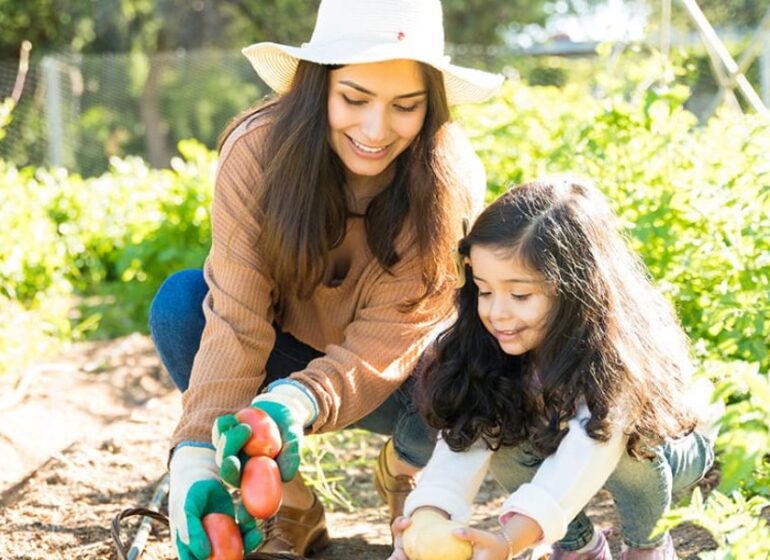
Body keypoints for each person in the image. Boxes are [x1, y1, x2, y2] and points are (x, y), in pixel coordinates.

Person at [147, 1, 505, 558]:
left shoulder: (446, 180)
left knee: (479, 358)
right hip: (281, 355)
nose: (376, 129)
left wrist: (297, 401)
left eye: (405, 106)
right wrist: (196, 454)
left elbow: (391, 337)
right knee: (180, 306)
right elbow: (237, 318)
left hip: (398, 380)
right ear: (319, 86)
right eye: (354, 99)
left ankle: (409, 470)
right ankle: (288, 502)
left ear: (430, 106)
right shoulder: (258, 153)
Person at [389, 180, 721, 560]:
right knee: (505, 446)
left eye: (520, 295)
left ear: (575, 290)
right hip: (561, 438)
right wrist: (430, 515)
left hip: (667, 449)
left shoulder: (615, 358)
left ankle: (647, 543)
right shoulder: (490, 348)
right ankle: (579, 546)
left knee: (632, 449)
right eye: (484, 290)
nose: (497, 313)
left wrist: (511, 540)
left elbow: (588, 451)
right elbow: (464, 442)